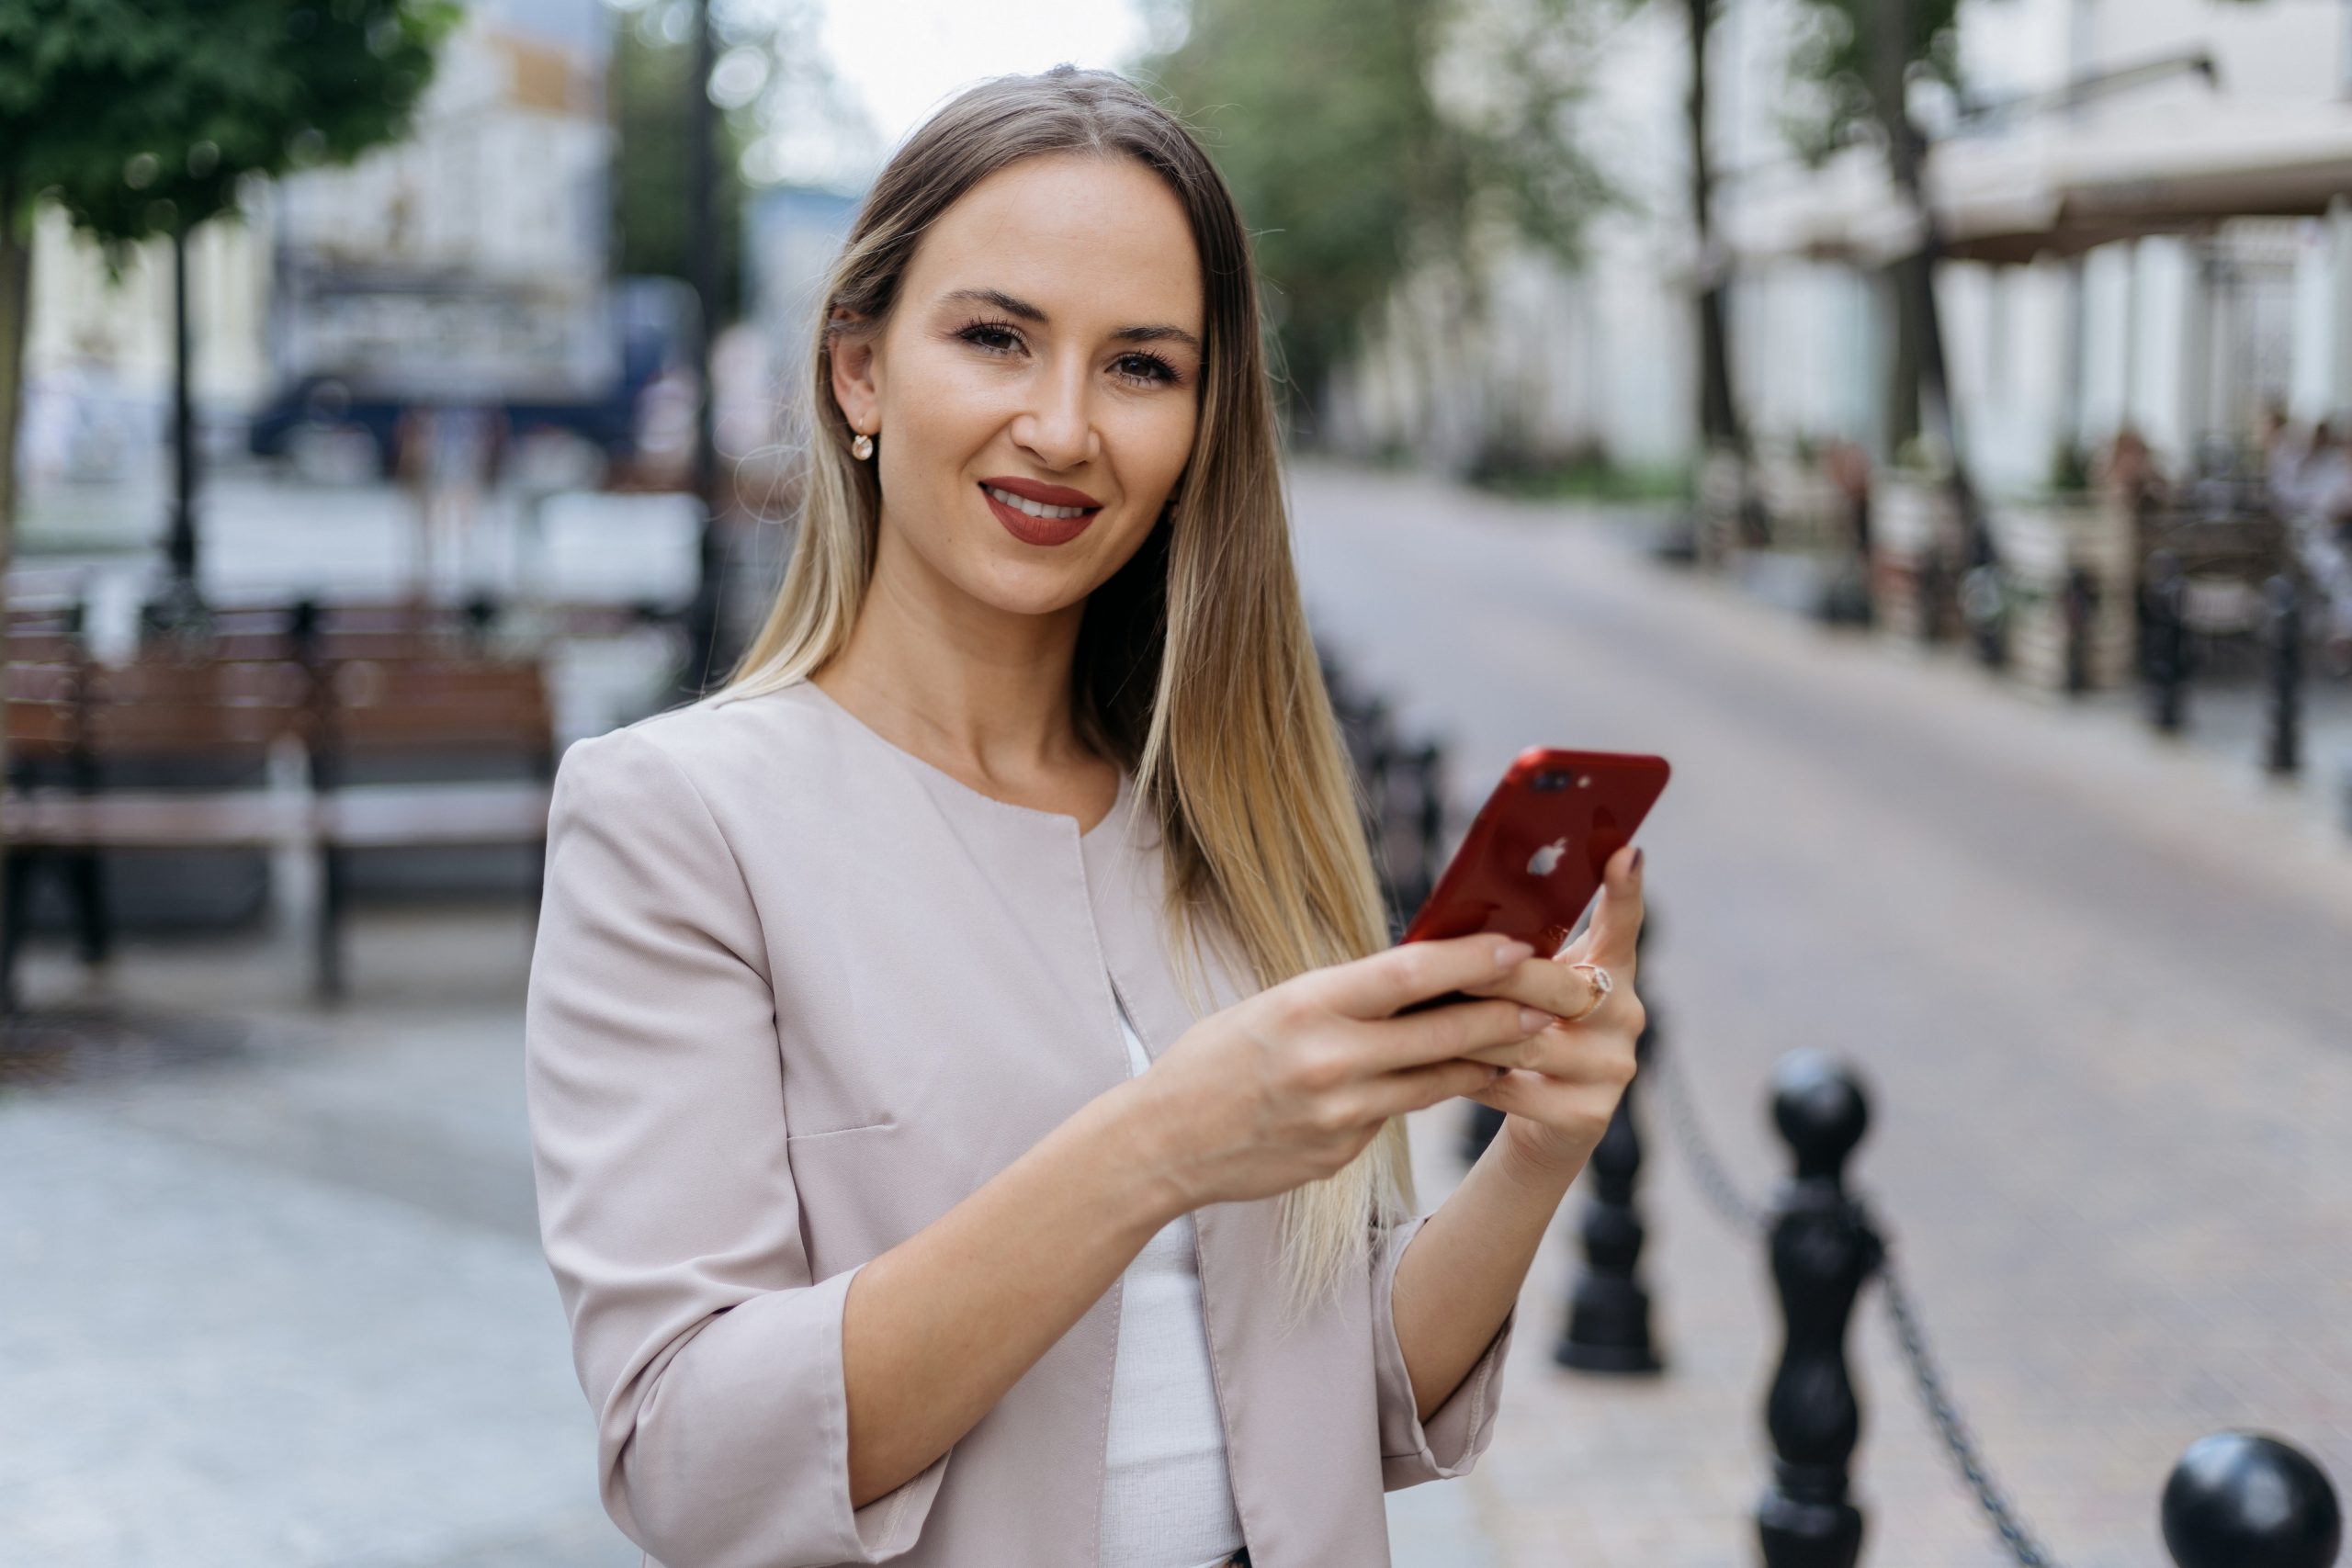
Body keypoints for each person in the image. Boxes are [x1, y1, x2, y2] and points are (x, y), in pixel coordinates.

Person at [523, 66, 1645, 1568]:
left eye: (1141, 367)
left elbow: (1342, 1407)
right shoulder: (677, 819)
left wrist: (1536, 1156)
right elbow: (692, 1464)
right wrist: (1158, 1143)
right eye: (996, 338)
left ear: (1199, 427)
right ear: (858, 372)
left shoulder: (1229, 827)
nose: (1062, 427)